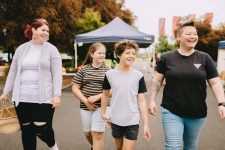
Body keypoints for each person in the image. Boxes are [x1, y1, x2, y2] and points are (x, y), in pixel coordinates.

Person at [148, 20, 225, 150]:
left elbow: (215, 81)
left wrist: (221, 103)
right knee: (172, 147)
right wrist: (151, 100)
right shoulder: (167, 58)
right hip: (171, 110)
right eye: (188, 34)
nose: (193, 36)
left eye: (194, 34)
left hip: (197, 112)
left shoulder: (205, 58)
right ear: (178, 37)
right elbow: (157, 80)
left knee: (190, 146)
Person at [0, 18, 62, 150]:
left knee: (41, 127)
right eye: (43, 30)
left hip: (44, 97)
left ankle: (53, 146)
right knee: (27, 129)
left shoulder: (52, 50)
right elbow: (13, 72)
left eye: (47, 31)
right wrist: (5, 92)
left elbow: (57, 74)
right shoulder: (21, 49)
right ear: (33, 29)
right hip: (22, 97)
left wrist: (57, 95)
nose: (46, 33)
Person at [101, 40, 151, 150]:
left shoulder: (138, 76)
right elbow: (105, 95)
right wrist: (103, 113)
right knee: (118, 148)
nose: (131, 56)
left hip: (132, 120)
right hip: (115, 119)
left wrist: (146, 124)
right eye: (128, 53)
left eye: (133, 53)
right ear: (118, 54)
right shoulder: (109, 75)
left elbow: (141, 100)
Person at [72, 42, 110, 150]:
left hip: (102, 106)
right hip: (85, 106)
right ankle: (95, 146)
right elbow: (75, 88)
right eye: (99, 53)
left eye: (104, 53)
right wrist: (85, 101)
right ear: (92, 54)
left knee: (97, 134)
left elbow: (112, 90)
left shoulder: (108, 70)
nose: (102, 55)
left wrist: (98, 96)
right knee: (88, 133)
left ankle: (97, 146)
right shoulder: (83, 70)